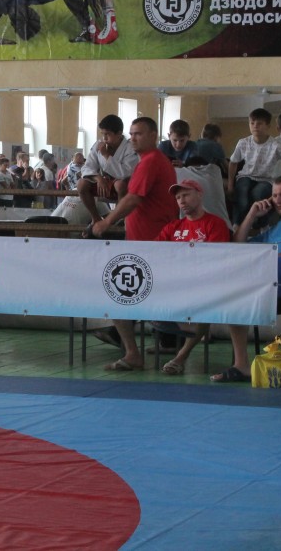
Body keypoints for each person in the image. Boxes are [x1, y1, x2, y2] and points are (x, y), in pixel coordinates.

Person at [91, 117, 178, 371]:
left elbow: (133, 199)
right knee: (132, 296)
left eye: (138, 133)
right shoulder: (150, 161)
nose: (133, 138)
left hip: (151, 244)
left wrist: (106, 222)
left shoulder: (151, 161)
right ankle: (149, 344)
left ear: (154, 135)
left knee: (120, 296)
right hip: (147, 242)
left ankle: (132, 352)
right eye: (131, 134)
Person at [211, 175, 281, 383]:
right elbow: (238, 246)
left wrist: (270, 257)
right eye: (274, 195)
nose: (278, 200)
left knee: (240, 273)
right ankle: (242, 365)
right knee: (234, 289)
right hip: (267, 276)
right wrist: (252, 214)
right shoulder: (274, 228)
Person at [151, 179, 232, 376]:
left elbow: (216, 260)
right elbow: (154, 252)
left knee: (202, 304)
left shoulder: (215, 224)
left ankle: (180, 357)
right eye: (178, 197)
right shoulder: (173, 227)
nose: (181, 200)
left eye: (186, 195)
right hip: (173, 284)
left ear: (199, 194)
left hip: (203, 284)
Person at [228, 108, 281, 226]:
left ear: (268, 126)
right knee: (242, 192)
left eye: (259, 123)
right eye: (252, 123)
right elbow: (233, 162)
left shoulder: (276, 145)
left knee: (258, 194)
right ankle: (237, 224)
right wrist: (230, 185)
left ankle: (261, 225)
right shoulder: (243, 143)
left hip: (266, 179)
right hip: (246, 175)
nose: (255, 126)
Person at [78, 114, 140, 226]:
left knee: (120, 185)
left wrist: (106, 155)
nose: (104, 138)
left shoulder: (130, 148)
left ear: (119, 133)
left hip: (124, 184)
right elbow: (87, 167)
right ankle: (96, 218)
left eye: (107, 134)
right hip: (103, 183)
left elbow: (125, 172)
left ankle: (120, 219)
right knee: (81, 185)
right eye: (102, 134)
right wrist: (98, 178)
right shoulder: (98, 145)